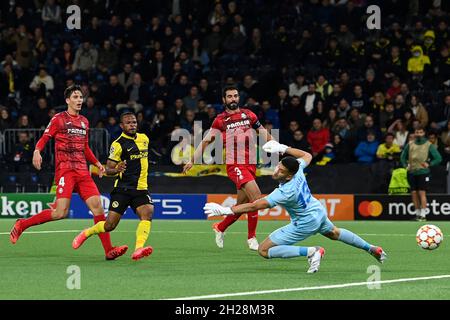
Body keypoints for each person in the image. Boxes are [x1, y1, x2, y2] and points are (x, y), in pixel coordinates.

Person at [204, 140, 387, 273]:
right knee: (334, 233)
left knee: (264, 250)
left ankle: (312, 252)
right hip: (317, 210)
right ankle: (372, 248)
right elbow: (307, 155)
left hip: (305, 222)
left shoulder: (285, 191)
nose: (276, 170)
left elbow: (255, 205)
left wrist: (227, 210)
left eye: (281, 171)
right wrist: (282, 148)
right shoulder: (298, 168)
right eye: (278, 166)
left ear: (288, 175)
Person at [10, 85, 128, 260]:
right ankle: (22, 224)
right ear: (67, 100)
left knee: (97, 208)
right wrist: (36, 151)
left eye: (81, 97)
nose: (79, 100)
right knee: (60, 213)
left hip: (82, 171)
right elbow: (45, 137)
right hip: (65, 171)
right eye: (75, 97)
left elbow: (85, 147)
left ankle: (109, 250)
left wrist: (97, 163)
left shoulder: (84, 122)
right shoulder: (58, 119)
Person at [183, 86, 273, 251]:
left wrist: (278, 147)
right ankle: (251, 237)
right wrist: (192, 160)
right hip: (235, 164)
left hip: (251, 163)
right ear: (224, 100)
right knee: (256, 197)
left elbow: (264, 133)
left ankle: (220, 227)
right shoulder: (220, 120)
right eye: (229, 96)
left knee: (242, 205)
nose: (233, 99)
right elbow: (206, 142)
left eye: (235, 96)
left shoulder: (249, 115)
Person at [72, 112, 154, 261]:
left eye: (134, 122)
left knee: (147, 212)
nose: (132, 125)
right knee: (109, 225)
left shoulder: (144, 139)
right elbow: (107, 169)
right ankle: (87, 233)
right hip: (122, 190)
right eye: (128, 123)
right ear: (122, 126)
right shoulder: (117, 144)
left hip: (141, 189)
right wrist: (116, 169)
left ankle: (138, 249)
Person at [400, 126, 442, 221]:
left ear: (423, 133)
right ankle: (417, 214)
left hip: (423, 172)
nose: (418, 134)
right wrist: (405, 165)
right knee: (414, 193)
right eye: (417, 132)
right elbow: (402, 157)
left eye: (420, 132)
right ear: (414, 133)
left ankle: (423, 215)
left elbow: (438, 158)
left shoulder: (428, 145)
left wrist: (429, 164)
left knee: (421, 193)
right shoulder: (410, 144)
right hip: (411, 172)